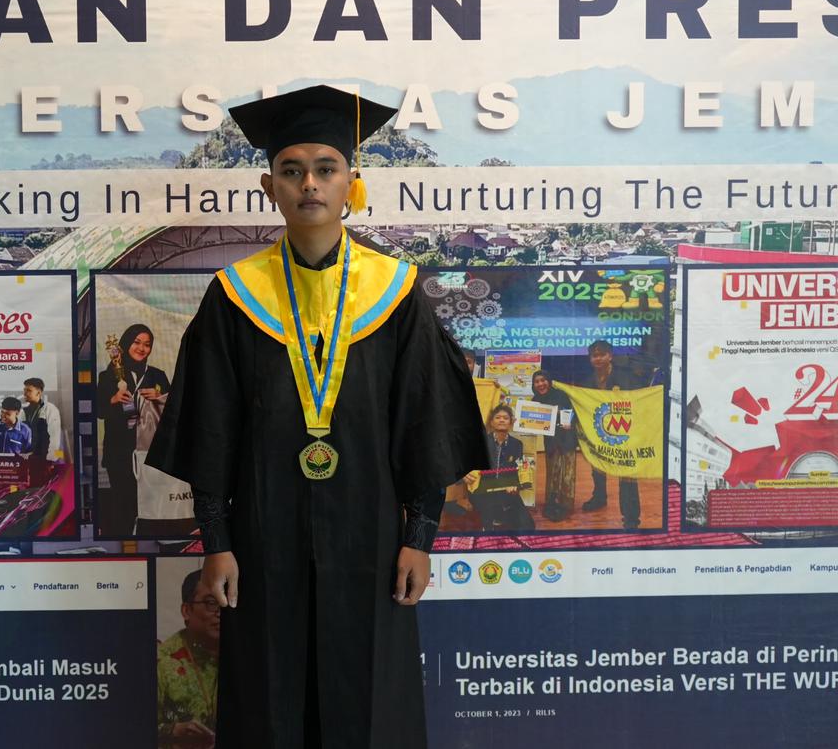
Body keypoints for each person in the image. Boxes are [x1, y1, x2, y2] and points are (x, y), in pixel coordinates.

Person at [147, 85, 486, 748]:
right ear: (268, 185)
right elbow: (211, 428)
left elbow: (424, 421)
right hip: (262, 536)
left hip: (372, 537)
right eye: (292, 169)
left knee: (369, 700)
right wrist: (216, 541)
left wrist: (420, 535)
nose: (309, 184)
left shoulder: (394, 293)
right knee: (268, 699)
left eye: (326, 168)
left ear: (351, 182)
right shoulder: (236, 296)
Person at [96, 325, 170, 536]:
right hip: (119, 452)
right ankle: (125, 544)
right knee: (123, 504)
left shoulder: (157, 375)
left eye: (147, 344)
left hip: (150, 452)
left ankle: (149, 541)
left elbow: (174, 410)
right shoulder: (109, 375)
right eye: (136, 342)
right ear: (126, 344)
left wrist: (160, 397)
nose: (141, 348)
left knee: (152, 504)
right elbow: (99, 410)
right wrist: (113, 399)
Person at [579, 340, 642, 529]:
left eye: (602, 355)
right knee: (597, 466)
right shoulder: (588, 381)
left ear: (610, 356)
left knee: (627, 474)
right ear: (590, 359)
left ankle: (631, 518)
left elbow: (637, 401)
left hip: (624, 432)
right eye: (594, 355)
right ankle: (599, 498)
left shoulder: (625, 376)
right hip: (600, 431)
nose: (598, 359)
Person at [157, 568, 221, 747]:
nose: (220, 612)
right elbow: (132, 726)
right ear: (186, 610)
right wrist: (173, 731)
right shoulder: (163, 662)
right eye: (211, 603)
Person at [467, 405, 534, 531]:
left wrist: (515, 486)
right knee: (488, 526)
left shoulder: (517, 444)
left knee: (528, 526)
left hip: (507, 490)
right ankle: (494, 517)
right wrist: (465, 474)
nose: (502, 420)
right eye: (498, 417)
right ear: (491, 422)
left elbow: (519, 470)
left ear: (511, 423)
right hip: (482, 491)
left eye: (505, 418)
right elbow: (466, 463)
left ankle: (500, 514)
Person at [531, 370, 578, 522]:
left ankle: (566, 504)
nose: (540, 384)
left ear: (549, 381)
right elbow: (531, 421)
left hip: (567, 439)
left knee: (568, 473)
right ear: (533, 385)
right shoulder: (535, 400)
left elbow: (572, 412)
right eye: (537, 381)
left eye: (543, 380)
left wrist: (568, 421)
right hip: (551, 442)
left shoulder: (561, 395)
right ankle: (551, 501)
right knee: (552, 473)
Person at [22, 377, 65, 462]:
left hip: (49, 458)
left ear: (39, 392)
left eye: (29, 391)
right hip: (31, 458)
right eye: (24, 390)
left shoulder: (50, 409)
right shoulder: (23, 412)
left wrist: (50, 460)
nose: (25, 393)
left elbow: (55, 437)